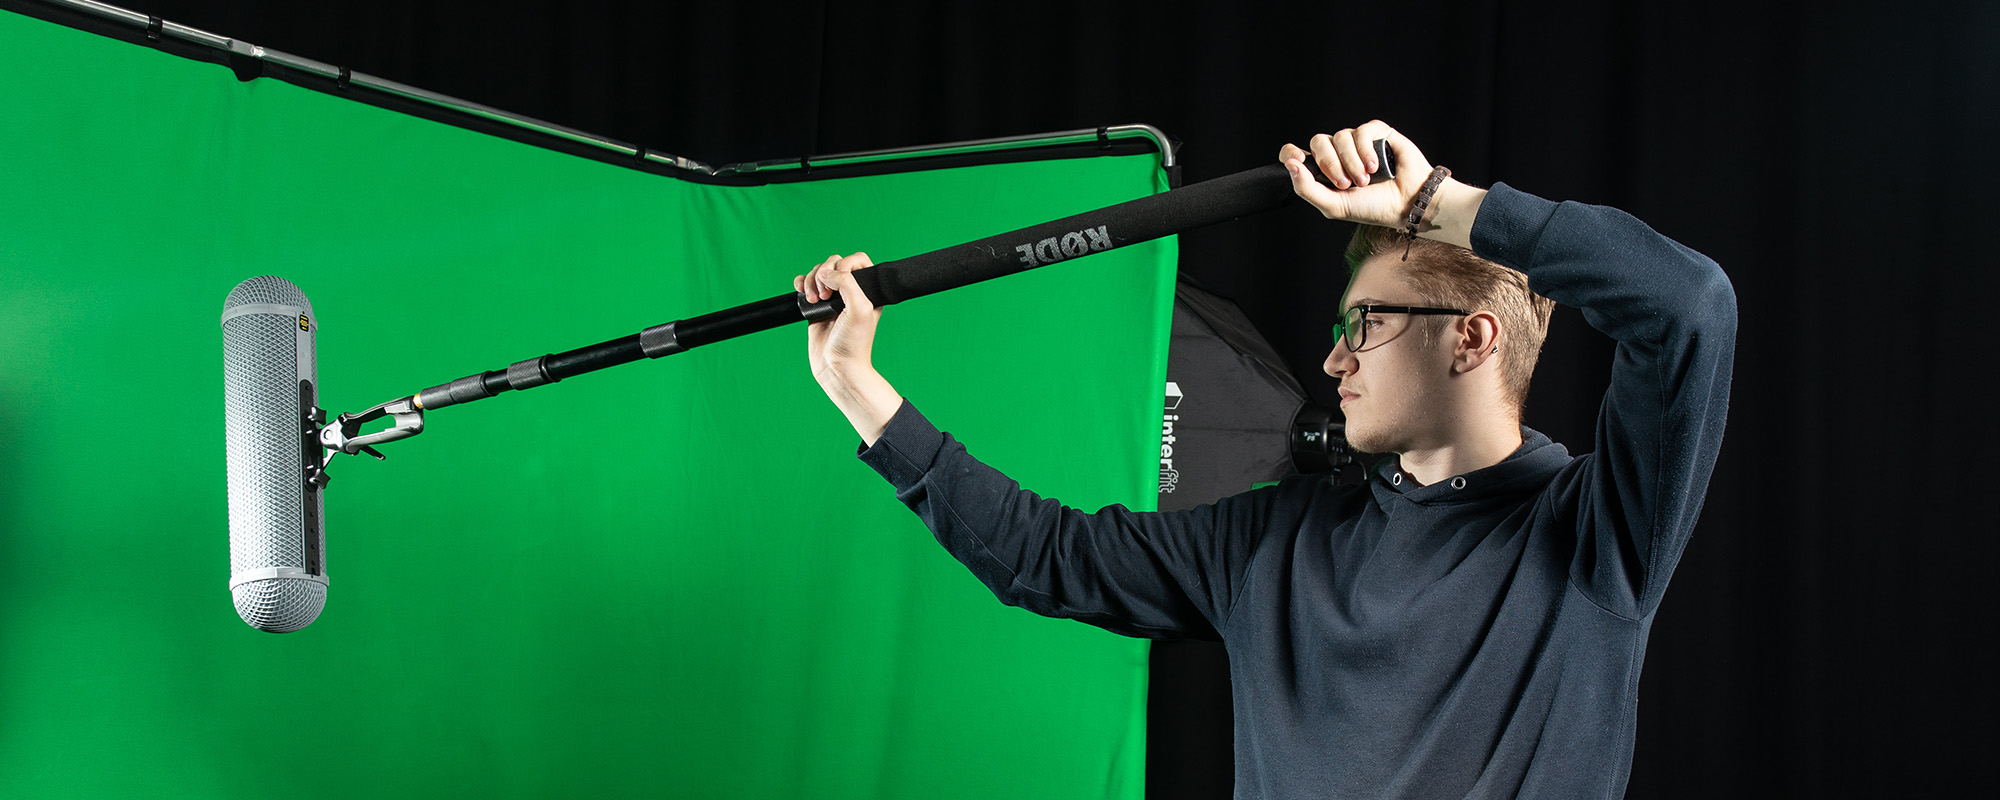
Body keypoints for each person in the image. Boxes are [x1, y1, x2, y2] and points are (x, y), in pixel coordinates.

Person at [794, 120, 1735, 799]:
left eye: (1364, 325)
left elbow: (1687, 306)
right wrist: (857, 388)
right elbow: (1048, 556)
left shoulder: (1595, 532)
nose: (1333, 358)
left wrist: (1432, 205)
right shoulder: (1276, 539)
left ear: (1473, 340)